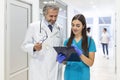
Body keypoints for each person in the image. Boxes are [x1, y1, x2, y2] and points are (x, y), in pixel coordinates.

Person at [22, 3, 63, 80]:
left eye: (56, 16)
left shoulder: (60, 28)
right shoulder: (34, 26)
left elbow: (61, 47)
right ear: (44, 14)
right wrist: (33, 47)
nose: (54, 19)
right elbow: (24, 45)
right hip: (39, 68)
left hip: (54, 68)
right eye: (51, 16)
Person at [57, 14, 96, 80]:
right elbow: (66, 62)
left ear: (83, 26)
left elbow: (90, 63)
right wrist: (61, 60)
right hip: (69, 74)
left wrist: (80, 54)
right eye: (73, 25)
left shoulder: (90, 41)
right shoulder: (67, 41)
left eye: (78, 26)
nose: (74, 28)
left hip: (83, 75)